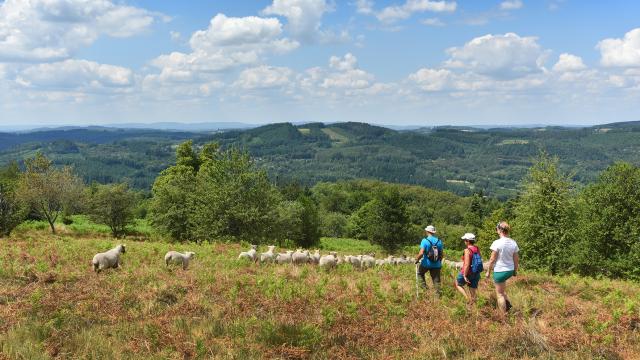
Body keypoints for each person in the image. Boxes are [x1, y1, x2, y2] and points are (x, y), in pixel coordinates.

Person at [485, 221, 519, 313]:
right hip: (510, 270)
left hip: (500, 271)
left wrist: (488, 271)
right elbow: (516, 259)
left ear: (499, 230)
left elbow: (492, 259)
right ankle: (509, 307)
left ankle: (503, 315)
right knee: (503, 291)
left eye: (497, 229)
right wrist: (515, 270)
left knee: (499, 294)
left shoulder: (497, 242)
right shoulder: (513, 242)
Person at [415, 225, 443, 297]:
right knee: (436, 281)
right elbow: (442, 254)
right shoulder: (439, 241)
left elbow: (421, 253)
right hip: (436, 264)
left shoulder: (424, 241)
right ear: (433, 232)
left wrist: (417, 259)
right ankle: (438, 297)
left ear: (427, 231)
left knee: (420, 273)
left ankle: (424, 289)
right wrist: (439, 262)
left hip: (426, 264)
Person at [454, 233, 481, 303]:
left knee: (457, 284)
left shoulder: (467, 250)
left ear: (468, 241)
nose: (464, 241)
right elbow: (479, 259)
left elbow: (467, 264)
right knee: (472, 289)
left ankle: (467, 299)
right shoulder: (477, 248)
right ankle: (474, 305)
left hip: (468, 272)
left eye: (465, 240)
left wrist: (464, 275)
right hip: (476, 272)